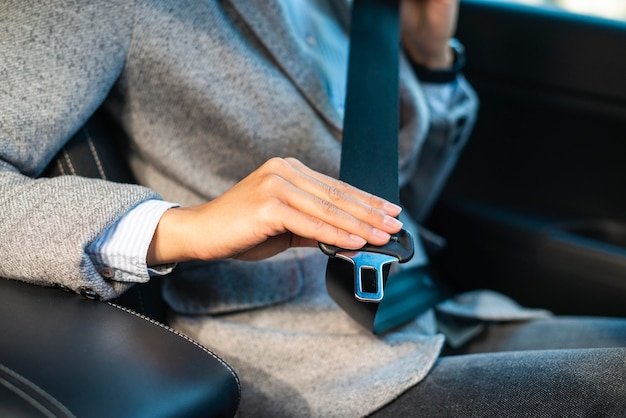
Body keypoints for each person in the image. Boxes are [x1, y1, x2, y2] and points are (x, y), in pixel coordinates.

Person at [2, 0, 625, 416]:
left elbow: (404, 203)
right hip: (300, 361)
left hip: (430, 313)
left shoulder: (357, 7)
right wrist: (183, 226)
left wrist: (430, 55)